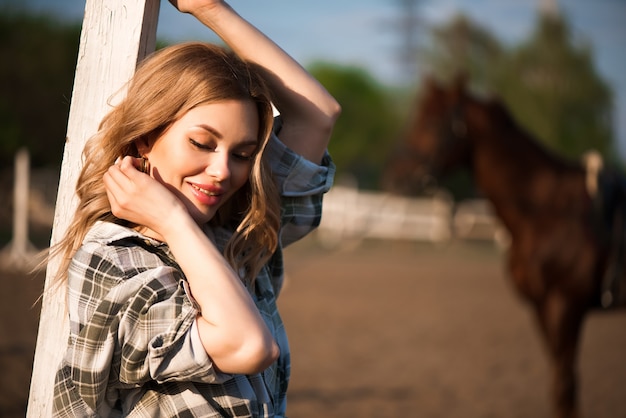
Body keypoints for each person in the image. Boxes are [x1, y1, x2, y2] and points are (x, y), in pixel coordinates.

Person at [51, 0, 340, 416]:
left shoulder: (236, 236)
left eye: (242, 153)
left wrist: (207, 8)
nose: (222, 171)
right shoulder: (115, 258)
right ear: (144, 137)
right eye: (201, 144)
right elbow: (248, 345)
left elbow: (317, 115)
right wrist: (170, 220)